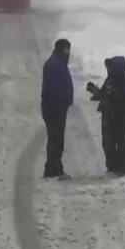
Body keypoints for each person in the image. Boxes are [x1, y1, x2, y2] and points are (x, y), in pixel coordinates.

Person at [86, 55, 125, 175]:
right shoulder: (109, 80)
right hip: (108, 115)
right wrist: (95, 91)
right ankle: (112, 166)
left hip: (121, 116)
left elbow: (123, 97)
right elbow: (104, 94)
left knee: (121, 141)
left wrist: (112, 94)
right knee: (108, 142)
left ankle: (124, 167)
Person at [40, 37, 74, 178]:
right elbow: (55, 88)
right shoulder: (56, 64)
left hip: (54, 106)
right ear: (64, 49)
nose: (69, 53)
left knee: (56, 138)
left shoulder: (56, 62)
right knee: (56, 139)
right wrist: (62, 101)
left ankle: (54, 166)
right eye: (68, 49)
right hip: (55, 108)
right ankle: (53, 168)